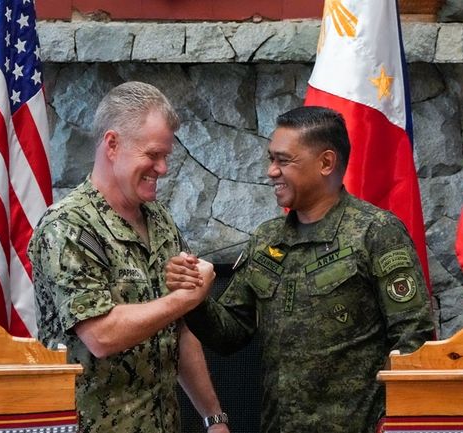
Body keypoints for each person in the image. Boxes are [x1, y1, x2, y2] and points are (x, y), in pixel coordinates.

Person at [169, 106, 435, 433]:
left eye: (283, 160)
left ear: (326, 162)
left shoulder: (376, 232)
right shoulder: (267, 238)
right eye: (271, 159)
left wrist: (390, 422)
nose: (271, 171)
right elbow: (230, 335)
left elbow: (413, 340)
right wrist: (195, 296)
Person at [28, 81, 229, 433]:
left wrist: (213, 418)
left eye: (167, 156)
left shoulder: (160, 221)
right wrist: (186, 298)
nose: (163, 168)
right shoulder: (68, 226)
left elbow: (178, 332)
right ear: (112, 144)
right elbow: (101, 335)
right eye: (153, 155)